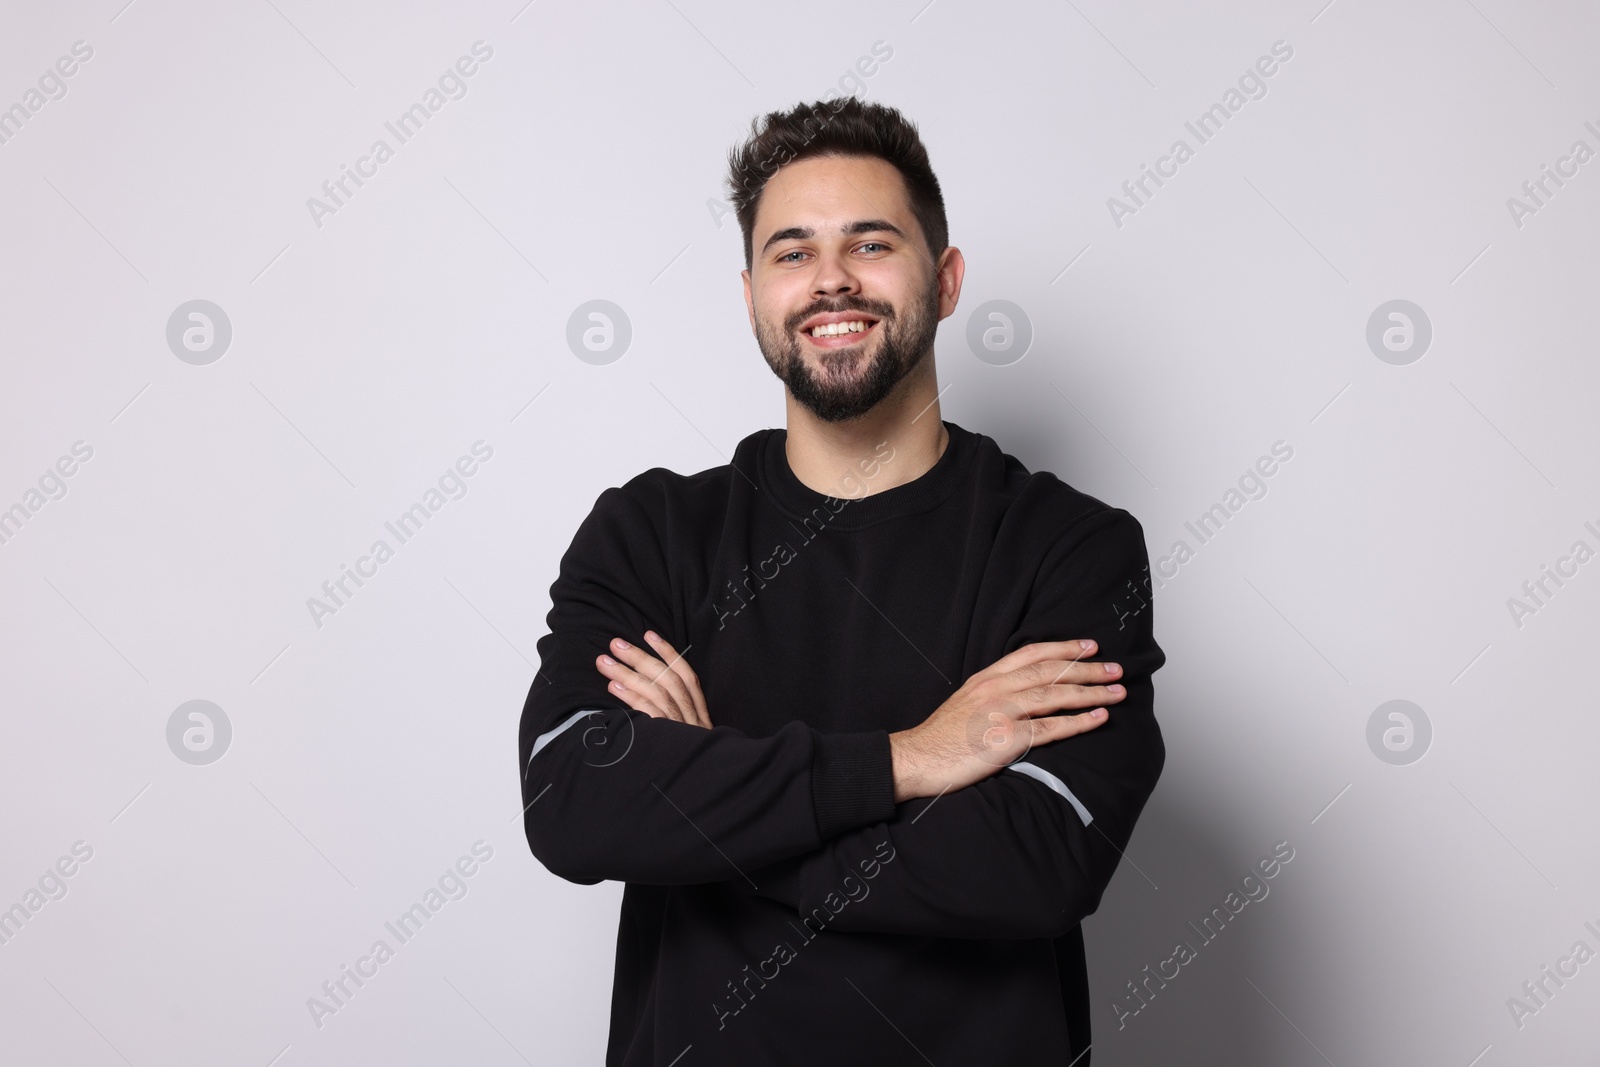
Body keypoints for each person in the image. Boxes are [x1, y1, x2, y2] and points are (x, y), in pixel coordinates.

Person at [518, 95, 1165, 1066]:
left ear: (944, 280)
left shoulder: (1068, 548)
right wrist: (909, 758)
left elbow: (1036, 862)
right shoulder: (649, 534)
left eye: (870, 245)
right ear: (750, 293)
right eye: (791, 251)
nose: (830, 281)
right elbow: (574, 803)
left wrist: (710, 795)